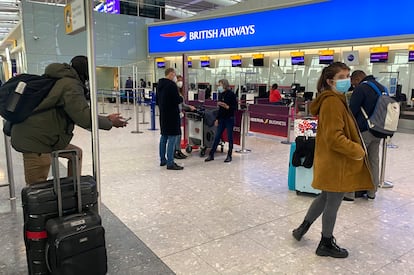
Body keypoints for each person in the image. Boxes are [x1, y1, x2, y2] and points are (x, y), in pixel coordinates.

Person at [291, 62, 374, 258]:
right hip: (337, 162)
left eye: (348, 75)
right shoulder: (333, 102)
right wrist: (358, 150)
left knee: (325, 197)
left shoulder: (335, 99)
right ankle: (325, 243)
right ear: (330, 81)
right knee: (333, 202)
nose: (347, 80)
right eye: (342, 77)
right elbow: (335, 137)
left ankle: (302, 227)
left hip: (331, 160)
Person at [10, 56, 127, 185]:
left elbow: (75, 112)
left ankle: (73, 191)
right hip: (36, 139)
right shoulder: (70, 84)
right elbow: (82, 117)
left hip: (44, 136)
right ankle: (52, 199)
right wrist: (110, 122)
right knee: (36, 187)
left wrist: (106, 119)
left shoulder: (59, 79)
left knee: (75, 154)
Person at [343, 70, 392, 201]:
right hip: (379, 130)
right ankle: (372, 192)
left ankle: (349, 193)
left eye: (353, 83)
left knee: (355, 159)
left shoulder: (361, 88)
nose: (353, 85)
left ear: (357, 79)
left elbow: (351, 110)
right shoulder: (383, 88)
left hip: (364, 130)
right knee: (374, 160)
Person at [157, 68, 184, 170]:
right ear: (171, 74)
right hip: (172, 115)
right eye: (175, 74)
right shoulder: (172, 85)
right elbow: (177, 100)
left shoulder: (160, 85)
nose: (175, 77)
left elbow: (158, 101)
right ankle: (170, 162)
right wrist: (181, 98)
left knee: (164, 137)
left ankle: (162, 160)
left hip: (163, 115)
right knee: (172, 138)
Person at [205, 79, 237, 163]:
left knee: (230, 137)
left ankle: (229, 155)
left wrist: (227, 107)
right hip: (222, 119)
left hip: (229, 118)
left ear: (224, 85)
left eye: (220, 85)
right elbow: (220, 109)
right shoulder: (220, 94)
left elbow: (235, 108)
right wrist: (217, 119)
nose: (219, 87)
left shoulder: (232, 94)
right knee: (217, 136)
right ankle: (211, 155)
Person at [174, 75, 195, 159]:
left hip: (179, 115)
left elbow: (182, 105)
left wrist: (189, 107)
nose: (180, 82)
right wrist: (188, 107)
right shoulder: (174, 92)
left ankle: (178, 150)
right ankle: (175, 151)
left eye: (181, 80)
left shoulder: (179, 92)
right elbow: (180, 105)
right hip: (175, 115)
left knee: (179, 134)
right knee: (176, 134)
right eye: (179, 80)